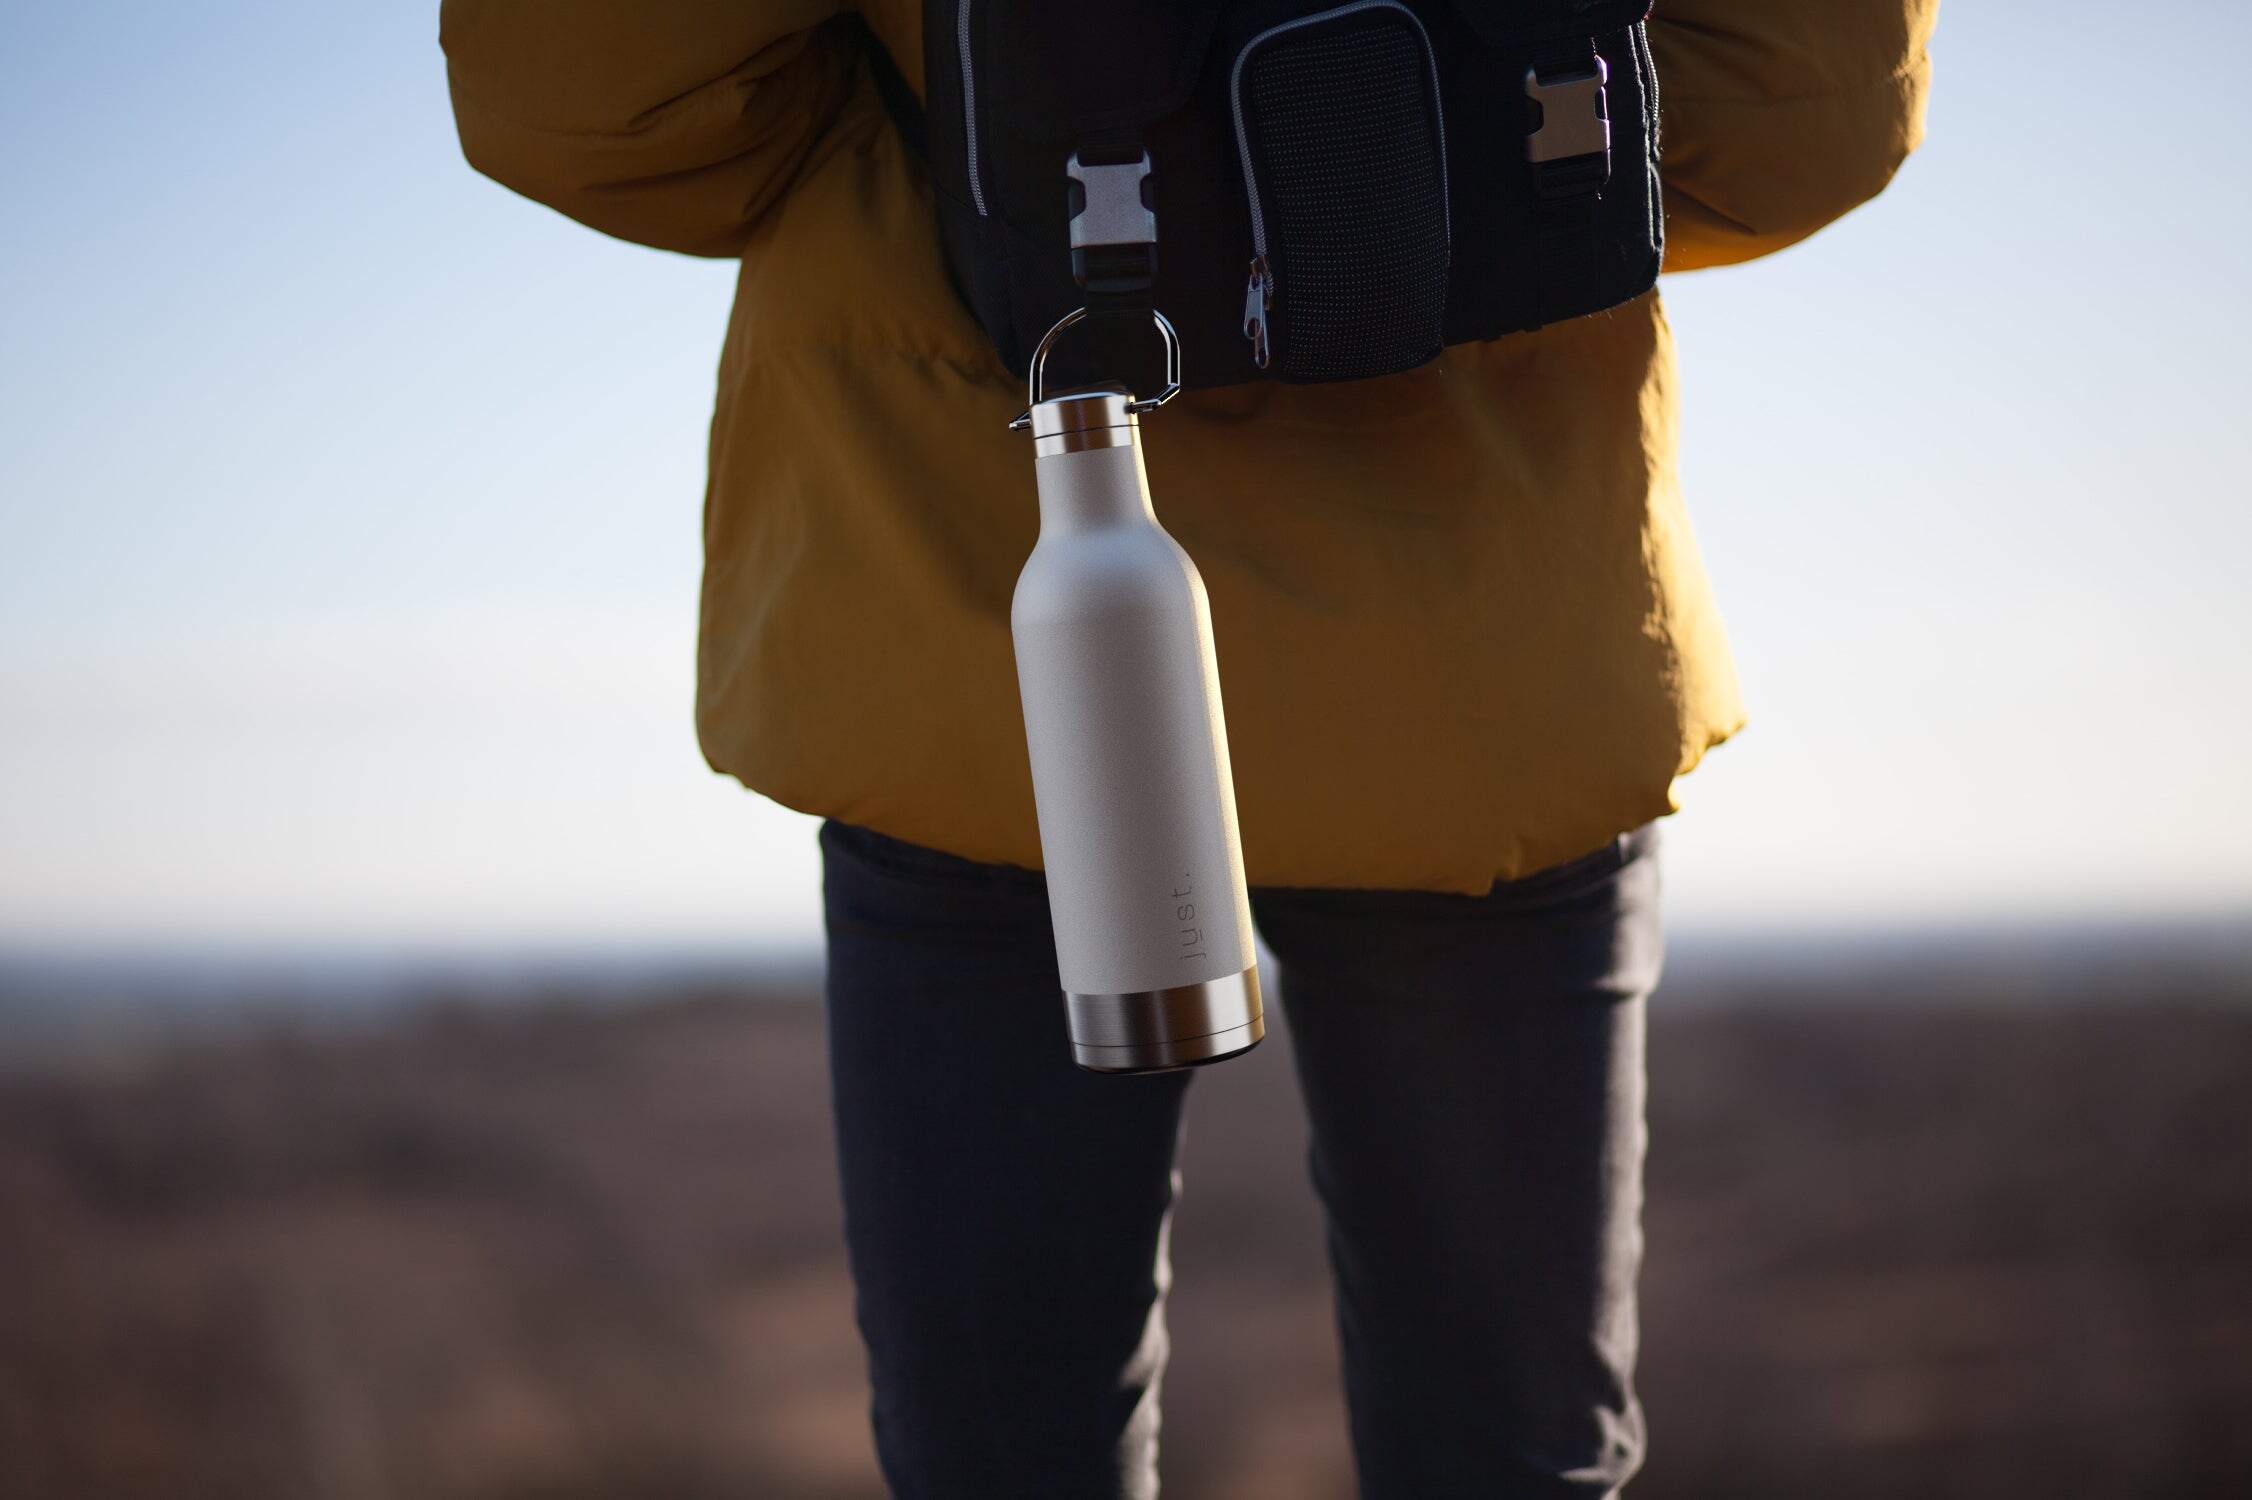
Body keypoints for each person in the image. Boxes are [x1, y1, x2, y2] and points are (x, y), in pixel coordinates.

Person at [441, 2, 1936, 1494]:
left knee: (1007, 1463)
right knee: (1509, 1459)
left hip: (985, 650)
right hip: (1482, 673)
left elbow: (587, 109)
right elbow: (1805, 120)